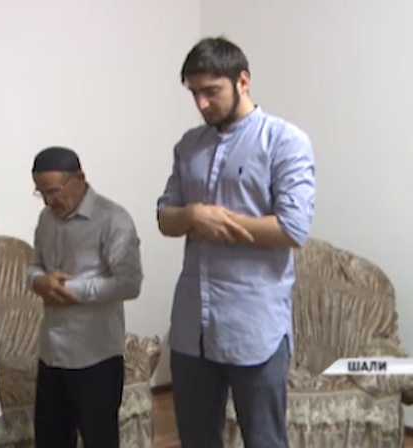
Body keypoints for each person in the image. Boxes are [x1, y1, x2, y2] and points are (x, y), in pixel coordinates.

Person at [156, 37, 316, 448]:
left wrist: (220, 222)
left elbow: (293, 228)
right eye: (195, 93)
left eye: (212, 91)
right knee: (196, 440)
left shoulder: (285, 141)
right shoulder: (188, 145)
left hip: (254, 328)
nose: (202, 103)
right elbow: (165, 217)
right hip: (192, 327)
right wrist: (192, 216)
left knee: (264, 440)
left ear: (242, 81)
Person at [26, 146, 143, 448]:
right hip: (51, 352)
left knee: (99, 440)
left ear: (79, 178)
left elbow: (129, 284)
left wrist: (71, 290)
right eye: (41, 193)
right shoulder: (46, 219)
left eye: (54, 191)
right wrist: (39, 282)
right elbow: (35, 266)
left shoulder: (113, 219)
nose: (49, 201)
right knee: (50, 441)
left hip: (95, 356)